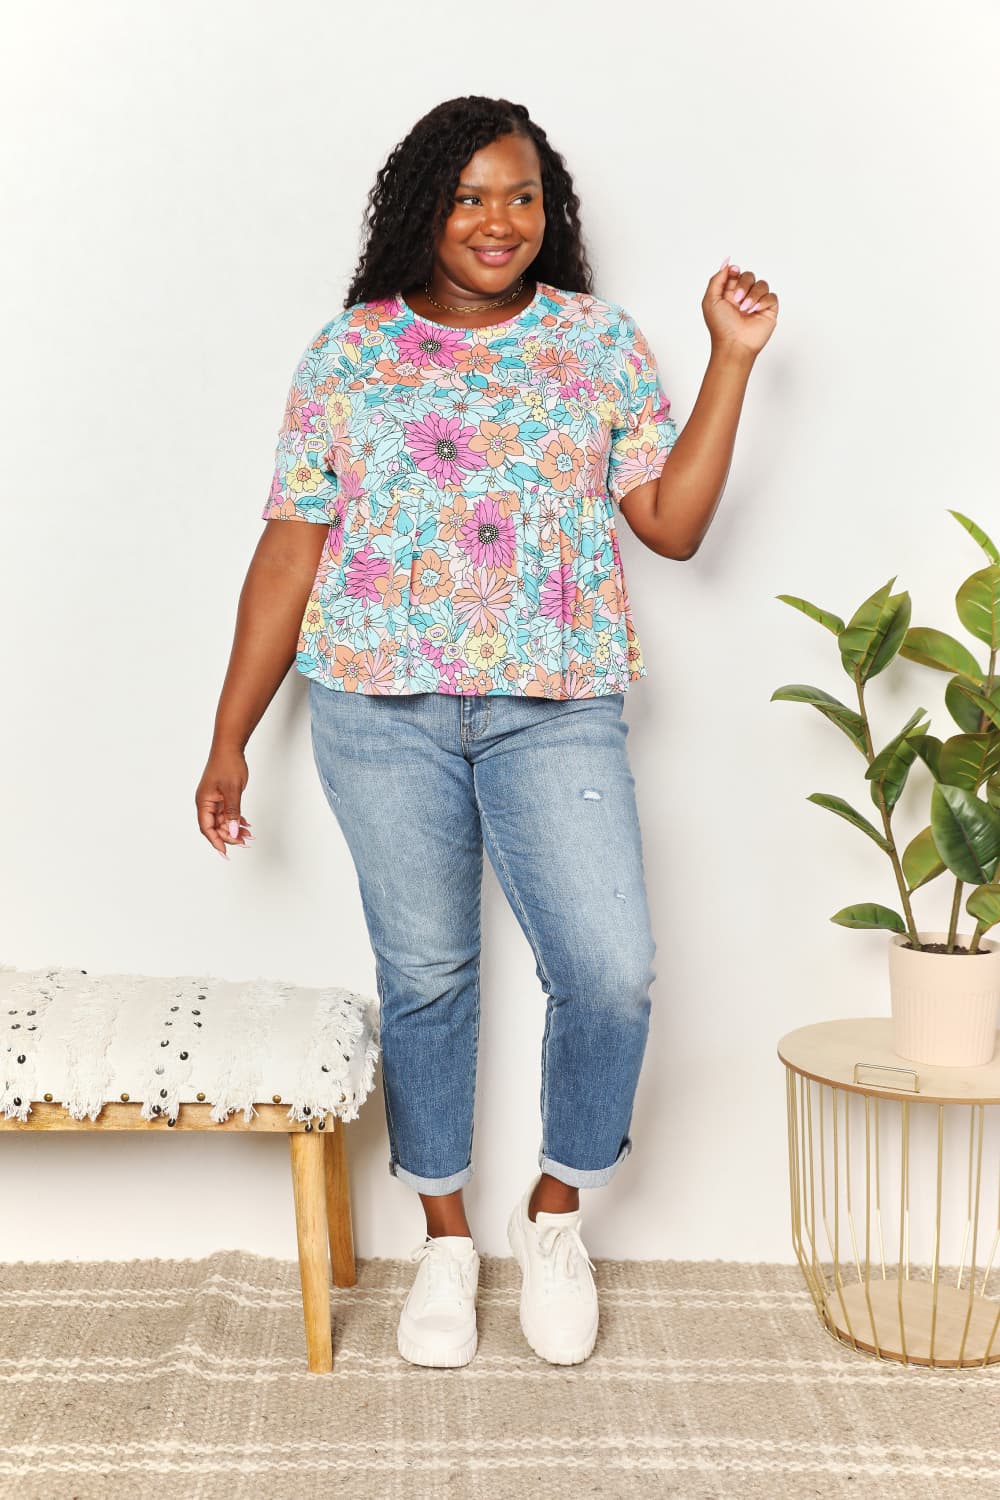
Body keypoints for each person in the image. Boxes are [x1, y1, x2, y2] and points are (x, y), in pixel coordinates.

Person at [195, 95, 778, 1371]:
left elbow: (669, 527)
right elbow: (292, 546)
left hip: (553, 707)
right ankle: (446, 1239)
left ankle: (553, 1217)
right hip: (375, 707)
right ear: (422, 211)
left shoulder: (596, 342)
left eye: (519, 197)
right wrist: (231, 734)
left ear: (548, 211)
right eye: (467, 198)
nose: (497, 221)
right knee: (429, 979)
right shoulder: (349, 352)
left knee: (610, 970)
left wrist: (729, 360)